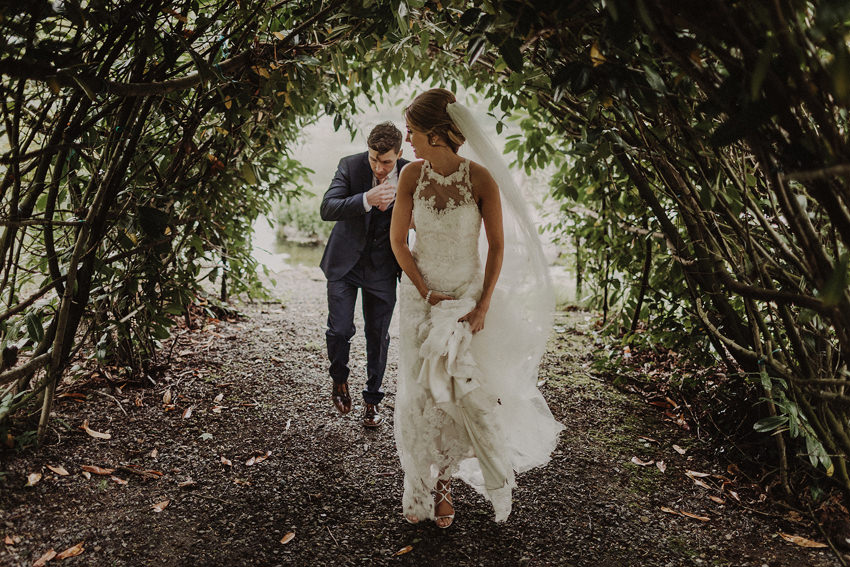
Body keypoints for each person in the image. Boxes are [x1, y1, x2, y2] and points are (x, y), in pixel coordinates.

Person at [389, 89, 564, 528]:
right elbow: (397, 242)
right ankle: (418, 483)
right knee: (419, 392)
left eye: (411, 131)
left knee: (458, 394)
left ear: (434, 133)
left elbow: (498, 247)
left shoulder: (481, 179)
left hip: (467, 298)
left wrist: (482, 304)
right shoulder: (411, 175)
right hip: (420, 297)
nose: (407, 139)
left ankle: (446, 482)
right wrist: (426, 293)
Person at [319, 122, 408, 428]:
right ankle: (339, 379)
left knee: (377, 336)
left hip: (384, 267)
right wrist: (367, 199)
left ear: (399, 153)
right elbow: (327, 208)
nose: (379, 168)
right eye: (374, 160)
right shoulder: (350, 165)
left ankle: (372, 400)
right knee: (340, 329)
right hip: (345, 264)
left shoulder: (411, 173)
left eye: (386, 162)